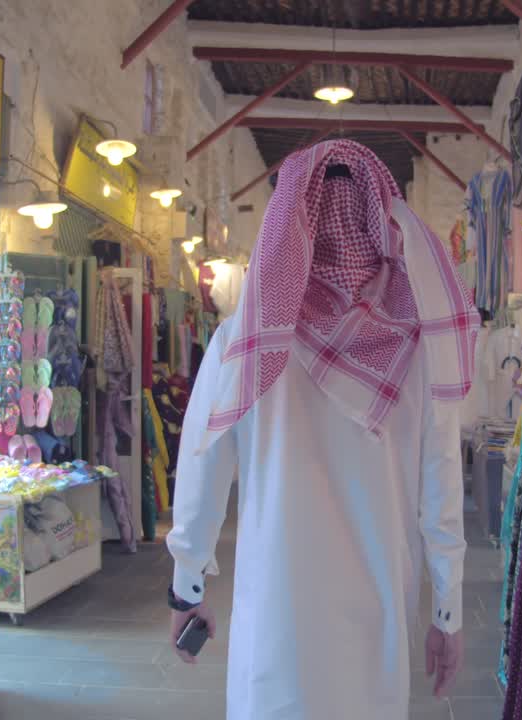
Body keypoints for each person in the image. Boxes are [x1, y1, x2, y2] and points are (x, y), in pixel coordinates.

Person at [165, 140, 477, 719]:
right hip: (377, 623)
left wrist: (187, 588)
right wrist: (447, 614)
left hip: (277, 623)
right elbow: (442, 495)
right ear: (379, 223)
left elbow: (202, 466)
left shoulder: (244, 340)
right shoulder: (419, 349)